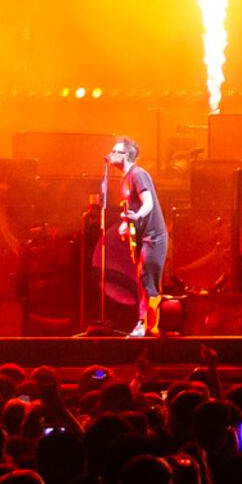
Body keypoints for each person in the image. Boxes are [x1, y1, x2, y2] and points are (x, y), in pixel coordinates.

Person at [100, 137, 168, 338]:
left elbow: (148, 202)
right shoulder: (125, 179)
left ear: (126, 155)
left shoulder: (138, 174)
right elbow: (132, 207)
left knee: (147, 280)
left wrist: (138, 216)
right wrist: (125, 223)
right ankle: (146, 324)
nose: (110, 155)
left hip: (153, 237)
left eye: (115, 151)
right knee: (142, 280)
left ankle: (149, 325)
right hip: (142, 238)